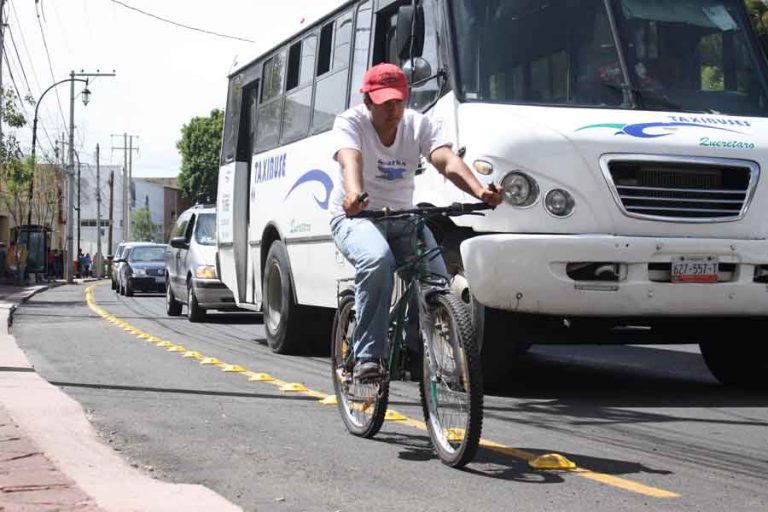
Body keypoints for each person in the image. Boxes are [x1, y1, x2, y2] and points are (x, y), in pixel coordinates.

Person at [329, 63, 502, 380]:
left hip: (403, 219)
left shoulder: (418, 125)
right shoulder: (350, 123)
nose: (392, 110)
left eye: (398, 101)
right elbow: (349, 159)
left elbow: (447, 161)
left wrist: (480, 190)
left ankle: (415, 350)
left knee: (435, 281)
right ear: (367, 101)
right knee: (376, 260)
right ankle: (368, 356)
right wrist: (354, 194)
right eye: (384, 103)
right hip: (357, 217)